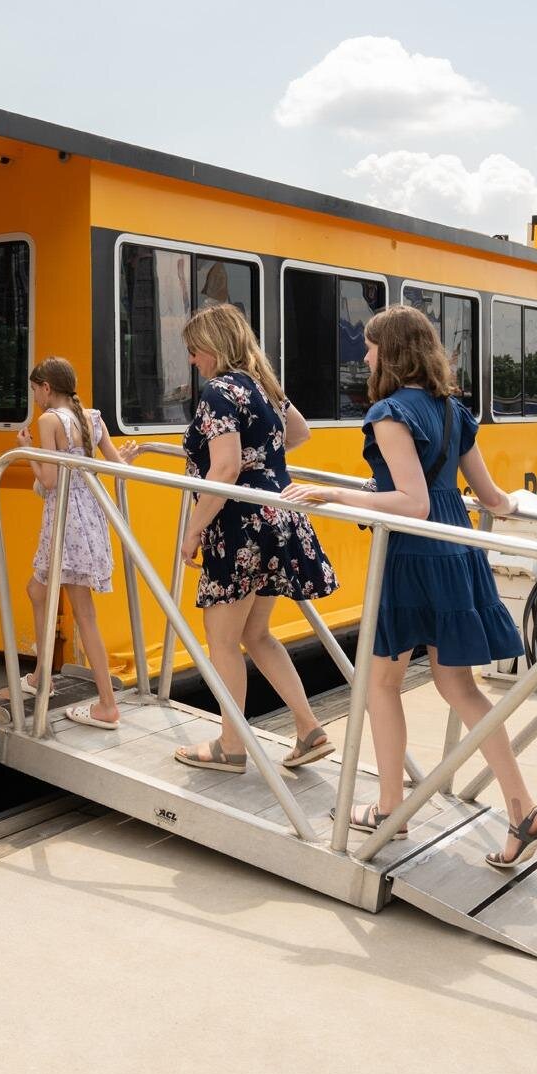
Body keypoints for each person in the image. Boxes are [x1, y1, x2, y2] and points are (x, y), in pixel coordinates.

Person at [284, 304, 537, 868]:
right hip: (457, 551)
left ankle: (390, 809)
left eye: (370, 346)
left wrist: (333, 494)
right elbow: (493, 499)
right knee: (460, 687)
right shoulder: (453, 410)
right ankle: (522, 808)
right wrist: (514, 506)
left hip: (413, 555)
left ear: (391, 352)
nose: (365, 356)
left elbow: (412, 503)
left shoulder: (388, 413)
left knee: (381, 683)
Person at [169, 303, 339, 773]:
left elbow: (224, 468)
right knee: (255, 633)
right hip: (276, 516)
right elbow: (299, 432)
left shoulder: (219, 391)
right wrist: (261, 458)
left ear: (213, 346)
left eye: (195, 350)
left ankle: (231, 745)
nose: (192, 360)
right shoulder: (263, 385)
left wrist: (193, 530)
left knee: (221, 637)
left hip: (239, 524)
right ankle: (309, 729)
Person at [17, 357, 133, 728]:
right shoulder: (92, 418)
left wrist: (27, 452)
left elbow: (50, 481)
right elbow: (116, 466)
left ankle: (107, 705)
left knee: (83, 613)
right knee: (37, 590)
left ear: (46, 388)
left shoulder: (49, 421)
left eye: (35, 390)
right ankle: (42, 676)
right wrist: (127, 459)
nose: (35, 397)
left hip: (65, 521)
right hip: (89, 520)